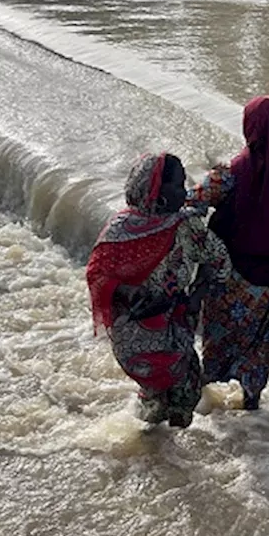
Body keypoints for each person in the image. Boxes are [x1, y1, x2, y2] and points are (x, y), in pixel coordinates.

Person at [188, 95, 269, 410]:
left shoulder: (232, 172)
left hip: (226, 281)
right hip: (265, 288)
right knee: (258, 351)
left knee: (217, 347)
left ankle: (197, 408)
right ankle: (251, 411)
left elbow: (192, 204)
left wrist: (206, 248)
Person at [86, 152, 231, 428]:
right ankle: (166, 458)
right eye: (177, 185)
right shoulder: (165, 229)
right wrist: (138, 294)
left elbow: (218, 258)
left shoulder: (133, 227)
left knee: (166, 393)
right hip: (152, 333)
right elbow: (97, 274)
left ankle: (154, 445)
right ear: (157, 191)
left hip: (152, 334)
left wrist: (193, 297)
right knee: (178, 390)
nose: (184, 191)